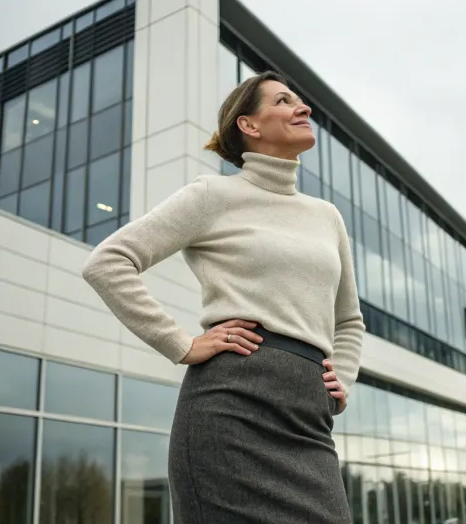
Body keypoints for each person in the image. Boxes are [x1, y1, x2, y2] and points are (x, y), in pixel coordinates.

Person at [82, 71, 365, 523]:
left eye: (300, 101)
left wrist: (341, 378)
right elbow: (108, 262)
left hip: (308, 418)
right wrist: (181, 343)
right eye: (283, 100)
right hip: (229, 408)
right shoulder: (212, 195)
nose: (303, 108)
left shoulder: (326, 216)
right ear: (248, 125)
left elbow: (348, 320)